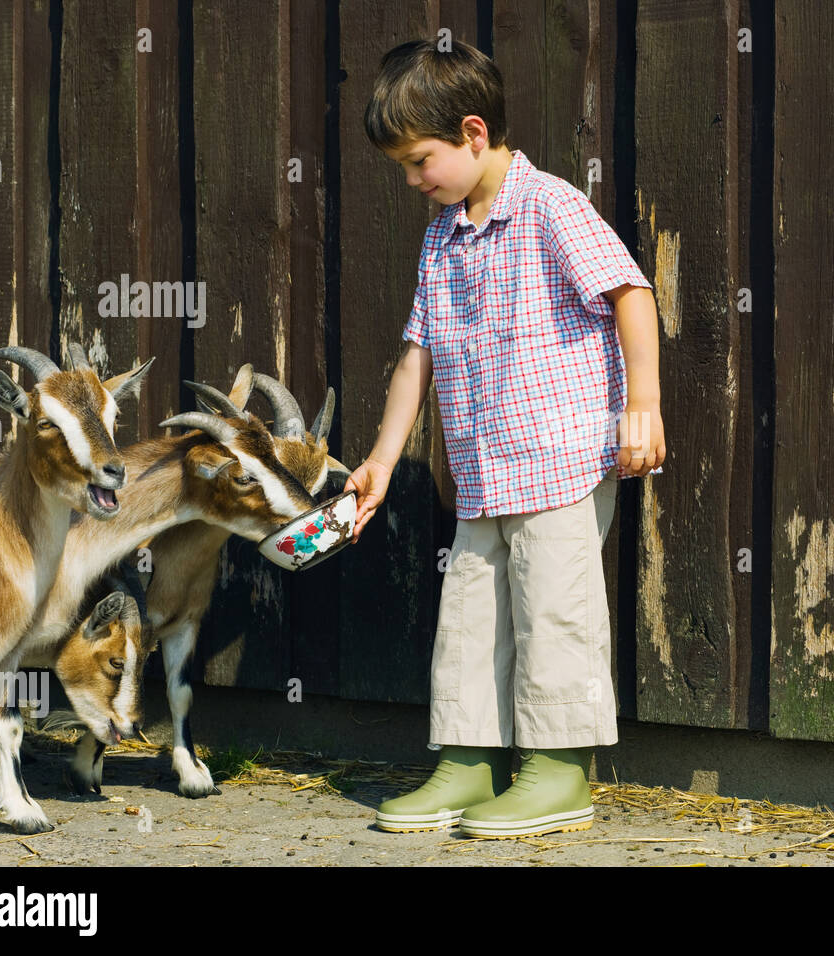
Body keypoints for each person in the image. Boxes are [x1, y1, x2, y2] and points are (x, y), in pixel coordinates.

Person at [344, 38, 666, 840]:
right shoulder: (442, 238)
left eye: (421, 162)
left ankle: (558, 772)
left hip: (560, 461)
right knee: (472, 613)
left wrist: (644, 404)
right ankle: (469, 761)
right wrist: (383, 458)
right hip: (484, 473)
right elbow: (417, 354)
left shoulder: (552, 206)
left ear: (474, 134)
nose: (415, 182)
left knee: (554, 611)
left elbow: (631, 292)